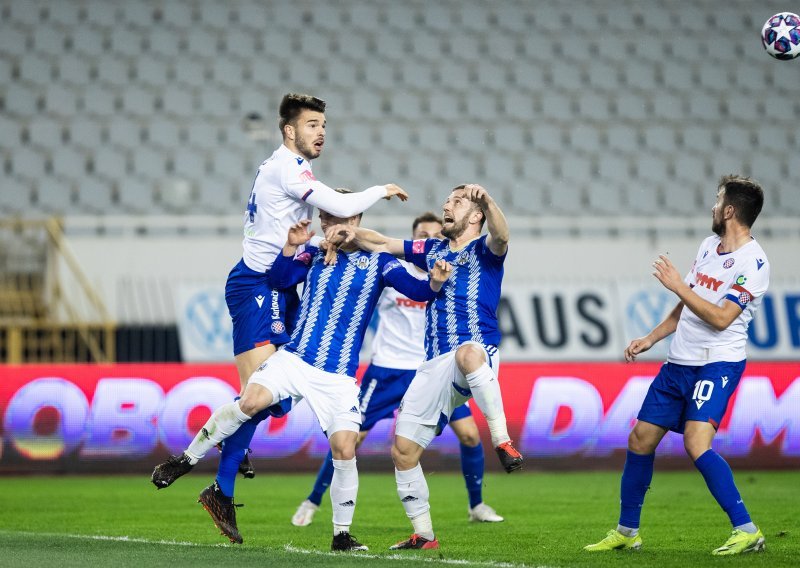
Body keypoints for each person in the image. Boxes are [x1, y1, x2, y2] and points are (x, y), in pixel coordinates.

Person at [151, 93, 408, 541]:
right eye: (312, 124)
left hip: (278, 285)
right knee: (258, 399)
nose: (321, 131)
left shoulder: (296, 170)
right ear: (289, 131)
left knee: (275, 402)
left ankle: (229, 463)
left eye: (324, 124)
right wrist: (382, 190)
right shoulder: (285, 169)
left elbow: (337, 224)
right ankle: (211, 475)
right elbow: (342, 206)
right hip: (259, 284)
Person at [151, 205, 453, 552]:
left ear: (355, 223)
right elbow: (280, 278)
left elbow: (420, 292)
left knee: (344, 448)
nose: (328, 224)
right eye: (324, 218)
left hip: (338, 376)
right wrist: (291, 247)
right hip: (295, 359)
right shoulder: (313, 252)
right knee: (249, 401)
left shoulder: (381, 261)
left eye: (337, 218)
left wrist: (435, 281)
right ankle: (185, 460)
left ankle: (341, 536)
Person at [325, 183, 522, 550]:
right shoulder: (432, 250)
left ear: (476, 214)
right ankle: (424, 534)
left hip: (476, 353)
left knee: (467, 354)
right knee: (402, 452)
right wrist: (353, 232)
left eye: (457, 201)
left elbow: (503, 234)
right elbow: (383, 243)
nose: (447, 204)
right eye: (447, 199)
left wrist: (489, 199)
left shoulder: (486, 249)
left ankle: (503, 441)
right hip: (433, 366)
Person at [584, 175, 769, 556]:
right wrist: (651, 338)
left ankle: (747, 529)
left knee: (696, 442)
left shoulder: (754, 262)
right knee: (640, 438)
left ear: (730, 211)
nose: (713, 208)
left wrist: (677, 285)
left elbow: (720, 318)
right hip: (678, 363)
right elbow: (687, 304)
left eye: (718, 202)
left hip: (716, 365)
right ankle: (627, 531)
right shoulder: (707, 246)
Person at [291, 211, 504, 528]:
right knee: (349, 439)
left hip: (431, 369)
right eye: (421, 235)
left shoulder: (451, 272)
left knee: (471, 436)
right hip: (387, 369)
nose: (427, 240)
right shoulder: (392, 268)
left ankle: (477, 505)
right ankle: (312, 500)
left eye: (433, 235)